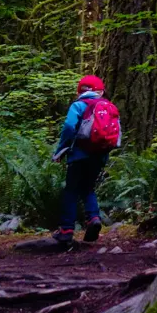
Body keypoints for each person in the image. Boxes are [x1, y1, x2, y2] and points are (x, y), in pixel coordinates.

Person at [52, 75, 114, 243]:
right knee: (88, 188)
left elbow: (69, 127)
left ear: (80, 91)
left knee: (71, 190)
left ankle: (66, 230)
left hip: (78, 155)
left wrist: (60, 151)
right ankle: (93, 219)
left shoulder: (78, 105)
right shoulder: (109, 106)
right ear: (100, 91)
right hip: (99, 156)